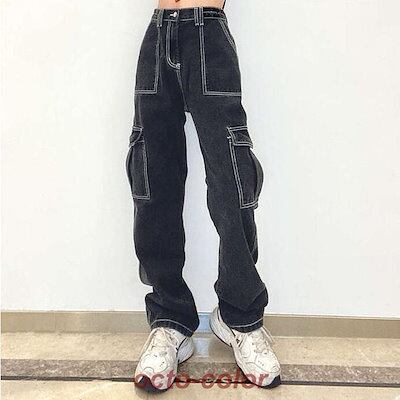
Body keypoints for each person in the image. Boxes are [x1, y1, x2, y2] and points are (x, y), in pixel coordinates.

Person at [126, 0, 281, 392]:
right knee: (153, 182)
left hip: (208, 33)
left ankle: (240, 317)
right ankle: (170, 320)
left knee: (233, 183)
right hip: (157, 33)